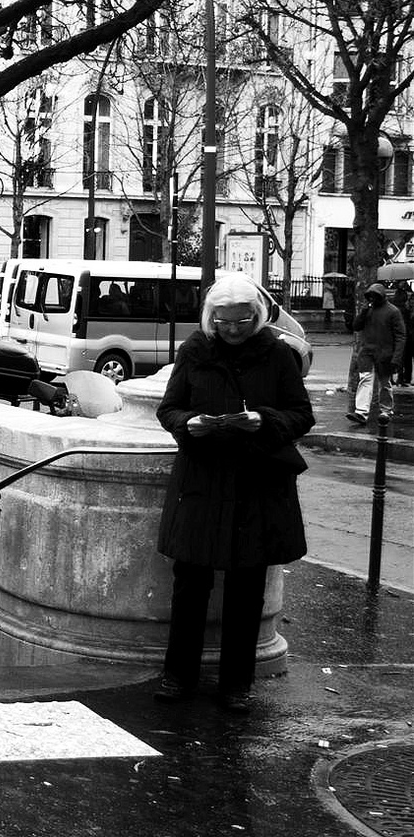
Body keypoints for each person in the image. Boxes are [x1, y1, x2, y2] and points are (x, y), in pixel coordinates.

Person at [153, 273, 313, 713]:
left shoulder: (278, 354)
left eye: (242, 321)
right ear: (211, 319)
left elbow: (301, 414)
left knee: (247, 591)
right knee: (190, 586)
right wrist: (190, 424)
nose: (234, 330)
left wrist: (263, 420)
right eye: (224, 322)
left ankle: (236, 685)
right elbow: (169, 409)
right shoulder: (194, 351)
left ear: (256, 316)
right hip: (202, 483)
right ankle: (177, 676)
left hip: (256, 483)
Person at [347, 282, 405, 425]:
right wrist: (363, 312)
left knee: (384, 383)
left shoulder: (393, 312)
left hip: (385, 353)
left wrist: (396, 357)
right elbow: (356, 326)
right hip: (367, 352)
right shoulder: (368, 310)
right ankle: (361, 412)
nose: (372, 299)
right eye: (370, 296)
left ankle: (386, 410)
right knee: (365, 379)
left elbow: (400, 336)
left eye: (374, 296)